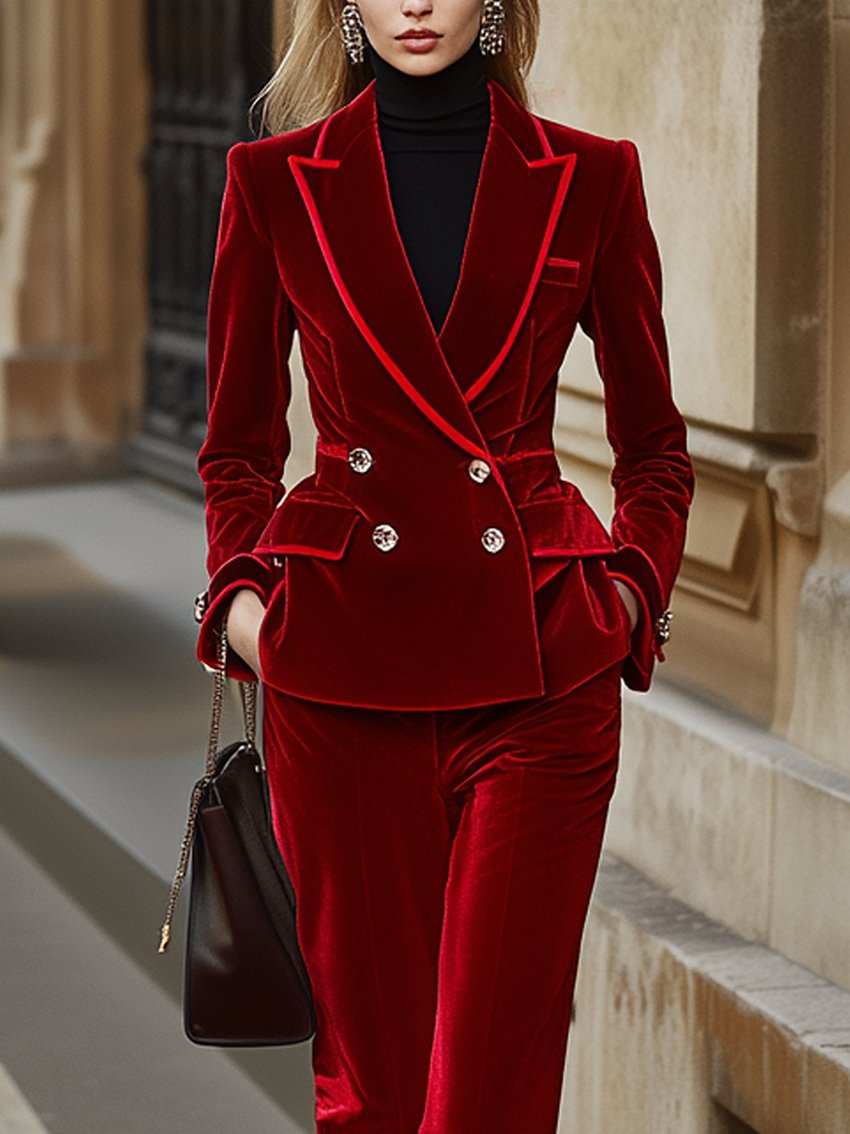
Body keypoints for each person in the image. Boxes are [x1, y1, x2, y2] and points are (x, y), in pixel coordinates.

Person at [194, 1, 694, 1130]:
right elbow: (236, 448)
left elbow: (655, 448)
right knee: (369, 1092)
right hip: (340, 671)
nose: (415, 3)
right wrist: (242, 606)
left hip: (539, 667)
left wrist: (625, 594)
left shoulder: (590, 177)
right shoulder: (272, 181)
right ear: (346, 7)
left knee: (486, 1097)